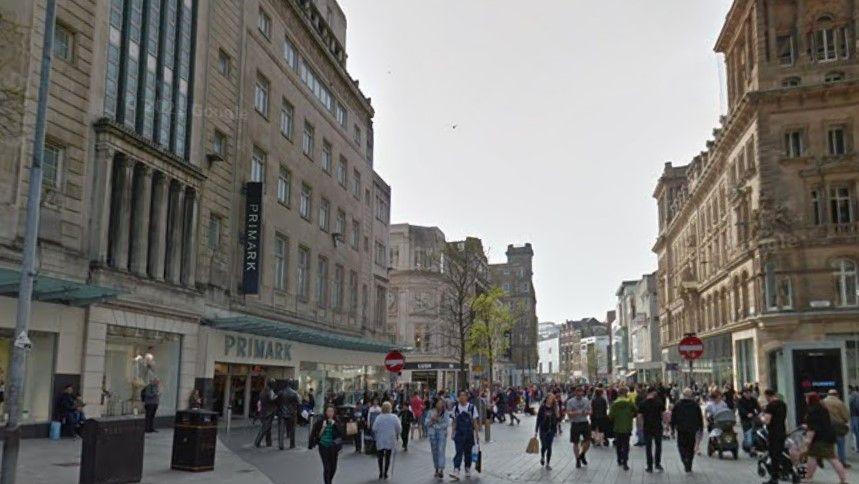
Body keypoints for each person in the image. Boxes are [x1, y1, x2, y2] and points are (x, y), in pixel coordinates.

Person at [803, 392, 849, 484]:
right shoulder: (822, 408)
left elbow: (813, 428)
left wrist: (807, 441)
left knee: (822, 458)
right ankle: (843, 479)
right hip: (828, 436)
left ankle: (808, 478)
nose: (806, 400)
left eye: (807, 398)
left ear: (810, 399)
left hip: (819, 438)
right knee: (826, 457)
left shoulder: (812, 410)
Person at [670, 388, 704, 472]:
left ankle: (684, 458)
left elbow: (673, 418)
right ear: (691, 395)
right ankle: (689, 463)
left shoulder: (678, 405)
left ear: (683, 395)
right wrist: (701, 427)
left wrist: (672, 429)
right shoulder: (695, 405)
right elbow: (700, 417)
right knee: (691, 446)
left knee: (681, 445)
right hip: (692, 429)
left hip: (681, 429)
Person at [309, 405, 343, 484]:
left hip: (334, 447)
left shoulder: (336, 421)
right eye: (328, 411)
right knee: (327, 467)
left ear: (334, 413)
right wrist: (323, 428)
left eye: (332, 411)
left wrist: (335, 424)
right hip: (323, 446)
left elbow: (341, 434)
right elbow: (316, 435)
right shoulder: (321, 421)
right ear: (325, 412)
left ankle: (329, 481)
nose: (330, 413)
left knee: (333, 468)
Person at [450, 390, 479, 481]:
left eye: (463, 396)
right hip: (459, 433)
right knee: (458, 452)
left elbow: (475, 422)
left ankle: (467, 468)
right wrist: (452, 432)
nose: (462, 397)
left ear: (467, 397)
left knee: (468, 453)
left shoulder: (472, 407)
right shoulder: (456, 408)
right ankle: (456, 470)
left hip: (469, 433)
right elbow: (454, 421)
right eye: (460, 396)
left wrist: (477, 434)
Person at [760, 389, 787, 484]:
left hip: (773, 432)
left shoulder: (770, 406)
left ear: (768, 396)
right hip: (782, 431)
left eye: (766, 397)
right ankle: (786, 472)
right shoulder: (783, 404)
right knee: (780, 453)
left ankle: (774, 478)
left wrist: (761, 418)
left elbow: (767, 421)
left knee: (774, 455)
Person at [822, 388, 851, 468]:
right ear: (836, 394)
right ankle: (842, 462)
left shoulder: (823, 402)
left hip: (827, 427)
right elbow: (846, 416)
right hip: (838, 426)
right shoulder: (839, 403)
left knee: (827, 445)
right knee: (840, 445)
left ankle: (824, 461)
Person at [608, 387, 636, 471]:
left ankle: (619, 459)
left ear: (618, 393)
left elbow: (610, 416)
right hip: (627, 426)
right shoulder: (629, 402)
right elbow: (635, 411)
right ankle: (625, 462)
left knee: (619, 444)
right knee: (626, 444)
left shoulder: (614, 403)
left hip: (617, 427)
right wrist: (630, 416)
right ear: (626, 393)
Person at [372, 402, 401, 480]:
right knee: (388, 456)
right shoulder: (394, 417)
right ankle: (386, 473)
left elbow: (374, 428)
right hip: (390, 439)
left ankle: (381, 472)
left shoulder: (378, 417)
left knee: (380, 457)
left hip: (380, 439)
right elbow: (399, 428)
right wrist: (396, 433)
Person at [639, 387, 664, 472]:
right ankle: (657, 464)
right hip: (657, 426)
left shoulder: (642, 403)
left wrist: (641, 426)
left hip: (647, 427)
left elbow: (640, 416)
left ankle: (649, 466)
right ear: (653, 392)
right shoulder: (659, 402)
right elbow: (663, 414)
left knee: (648, 447)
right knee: (658, 445)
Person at [565, 386, 591, 468]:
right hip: (575, 423)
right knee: (575, 442)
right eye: (578, 393)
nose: (579, 394)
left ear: (582, 393)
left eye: (581, 393)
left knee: (588, 442)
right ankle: (577, 460)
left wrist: (586, 412)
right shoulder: (570, 401)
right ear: (575, 393)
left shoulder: (586, 400)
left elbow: (590, 411)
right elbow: (568, 413)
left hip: (584, 422)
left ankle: (582, 454)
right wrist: (578, 412)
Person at [535, 393, 560, 469]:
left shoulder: (554, 408)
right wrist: (536, 431)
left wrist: (558, 415)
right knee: (544, 445)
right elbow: (538, 419)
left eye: (552, 399)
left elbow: (557, 419)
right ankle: (542, 457)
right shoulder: (542, 408)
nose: (550, 400)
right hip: (543, 429)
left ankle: (548, 463)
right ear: (546, 399)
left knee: (549, 447)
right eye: (549, 398)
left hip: (551, 430)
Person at [254, 379, 280, 448]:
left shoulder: (264, 390)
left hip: (264, 411)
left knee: (268, 428)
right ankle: (257, 442)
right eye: (273, 383)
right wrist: (277, 396)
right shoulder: (269, 391)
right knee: (265, 428)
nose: (274, 385)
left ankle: (269, 442)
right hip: (268, 412)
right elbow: (271, 399)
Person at [427, 397, 449, 479]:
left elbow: (446, 423)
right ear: (435, 404)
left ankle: (441, 469)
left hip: (441, 433)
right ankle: (436, 467)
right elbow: (426, 422)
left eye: (442, 403)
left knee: (441, 450)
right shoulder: (430, 412)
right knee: (434, 451)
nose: (441, 405)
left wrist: (437, 424)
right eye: (439, 403)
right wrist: (432, 420)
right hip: (433, 434)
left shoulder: (445, 412)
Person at [850, 385, 859, 453]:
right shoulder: (856, 395)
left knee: (854, 432)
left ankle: (854, 447)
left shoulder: (853, 395)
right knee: (856, 433)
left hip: (853, 416)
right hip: (856, 415)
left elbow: (856, 406)